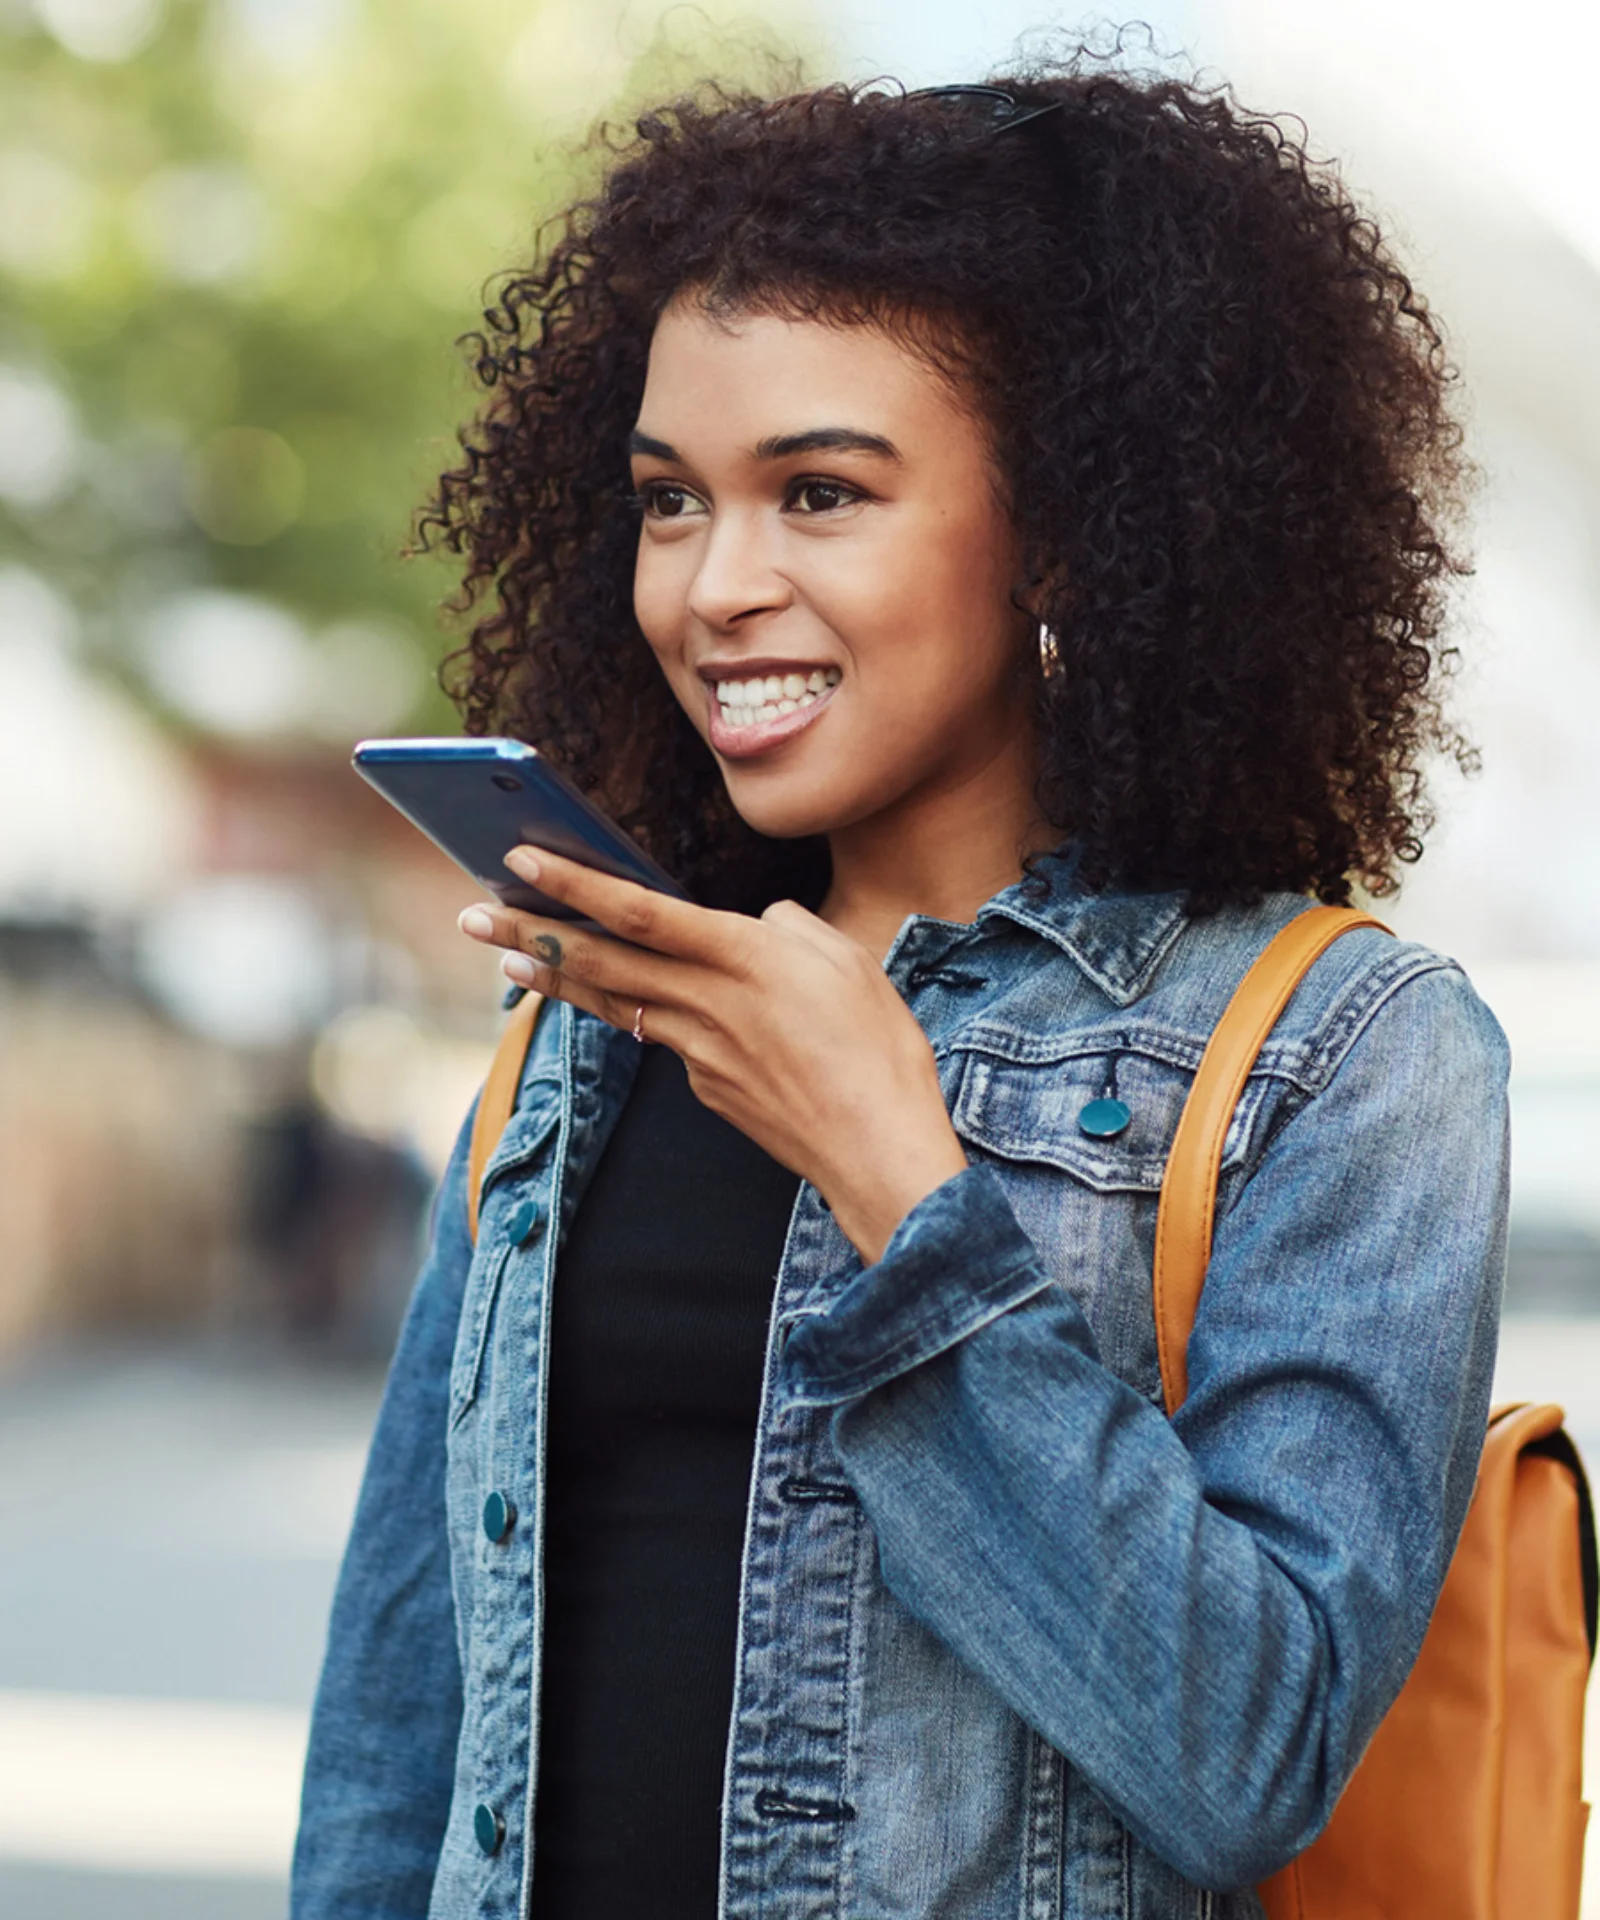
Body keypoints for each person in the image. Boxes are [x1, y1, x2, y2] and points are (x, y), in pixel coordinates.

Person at [291, 56, 1510, 1920]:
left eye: (821, 493)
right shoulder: (592, 1031)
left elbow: (1248, 1752)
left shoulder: (1342, 1055)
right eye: (672, 500)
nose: (716, 587)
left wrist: (904, 1194)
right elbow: (403, 1729)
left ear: (1064, 529)